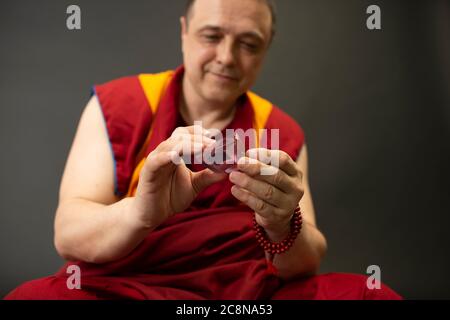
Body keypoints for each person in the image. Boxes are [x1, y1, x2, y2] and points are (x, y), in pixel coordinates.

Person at [5, 0, 401, 299]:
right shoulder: (123, 103)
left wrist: (283, 224)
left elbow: (307, 261)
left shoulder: (278, 129)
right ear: (184, 32)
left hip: (246, 294)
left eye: (249, 43)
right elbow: (68, 234)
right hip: (129, 288)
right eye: (212, 36)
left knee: (372, 294)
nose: (226, 58)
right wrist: (141, 213)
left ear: (266, 49)